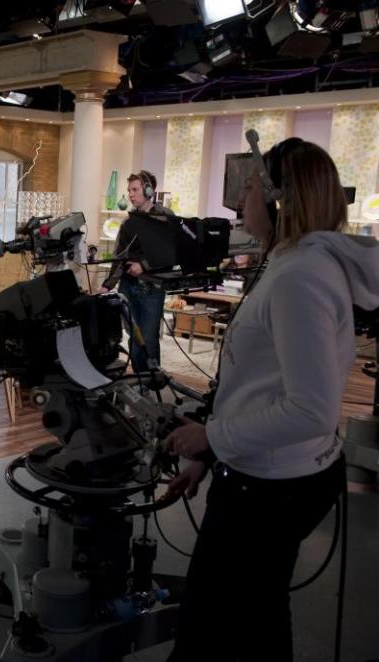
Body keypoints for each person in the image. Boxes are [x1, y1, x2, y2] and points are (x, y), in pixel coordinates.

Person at [164, 138, 379, 661]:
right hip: (267, 477)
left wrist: (212, 435)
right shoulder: (295, 263)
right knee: (255, 619)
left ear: (280, 200)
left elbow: (310, 410)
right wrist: (210, 455)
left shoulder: (301, 276)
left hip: (269, 493)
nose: (242, 203)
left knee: (215, 626)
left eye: (252, 188)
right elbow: (260, 386)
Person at [99, 170, 174, 371]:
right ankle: (139, 382)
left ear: (149, 190)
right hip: (128, 287)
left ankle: (151, 382)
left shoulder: (165, 218)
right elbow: (119, 255)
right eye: (129, 190)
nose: (130, 195)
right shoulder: (128, 222)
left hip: (151, 289)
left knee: (148, 339)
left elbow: (171, 252)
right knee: (134, 338)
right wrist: (107, 286)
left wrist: (144, 265)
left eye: (135, 189)